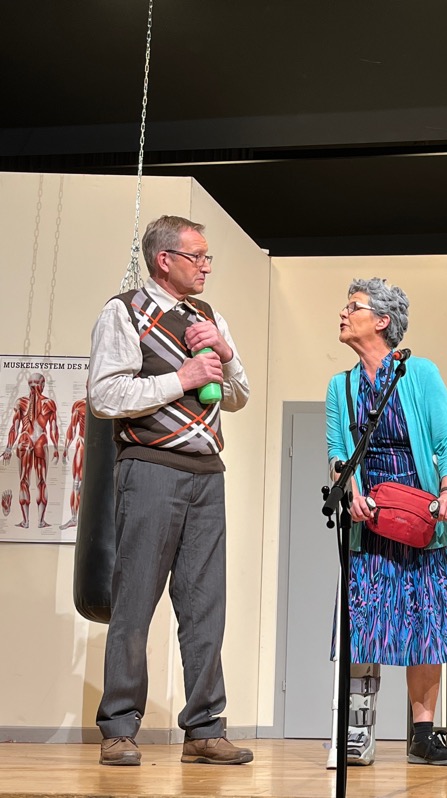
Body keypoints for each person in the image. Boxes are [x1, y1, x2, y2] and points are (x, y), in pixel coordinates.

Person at [88, 215, 251, 767]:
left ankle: (204, 728)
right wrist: (181, 379)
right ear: (165, 260)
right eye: (197, 256)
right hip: (150, 469)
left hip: (207, 473)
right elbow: (105, 395)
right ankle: (119, 727)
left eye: (207, 257)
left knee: (206, 607)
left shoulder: (208, 317)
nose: (206, 266)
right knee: (134, 602)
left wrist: (224, 353)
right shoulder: (125, 311)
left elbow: (238, 397)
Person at [325, 277, 447, 767]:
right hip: (371, 521)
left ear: (382, 321)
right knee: (365, 624)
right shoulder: (341, 386)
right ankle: (358, 732)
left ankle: (423, 735)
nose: (343, 313)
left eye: (354, 306)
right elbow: (337, 452)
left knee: (427, 626)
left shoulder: (419, 372)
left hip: (424, 517)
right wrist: (351, 492)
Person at [2, 372, 60, 528]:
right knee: (41, 482)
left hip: (25, 441)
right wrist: (55, 447)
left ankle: (26, 521)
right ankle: (39, 521)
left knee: (24, 481)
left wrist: (9, 447)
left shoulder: (22, 402)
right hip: (40, 440)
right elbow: (53, 428)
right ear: (43, 384)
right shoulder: (48, 403)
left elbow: (15, 427)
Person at [59, 395, 86, 530]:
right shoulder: (79, 405)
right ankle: (74, 518)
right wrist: (65, 449)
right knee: (77, 483)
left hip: (99, 447)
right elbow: (72, 427)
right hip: (83, 444)